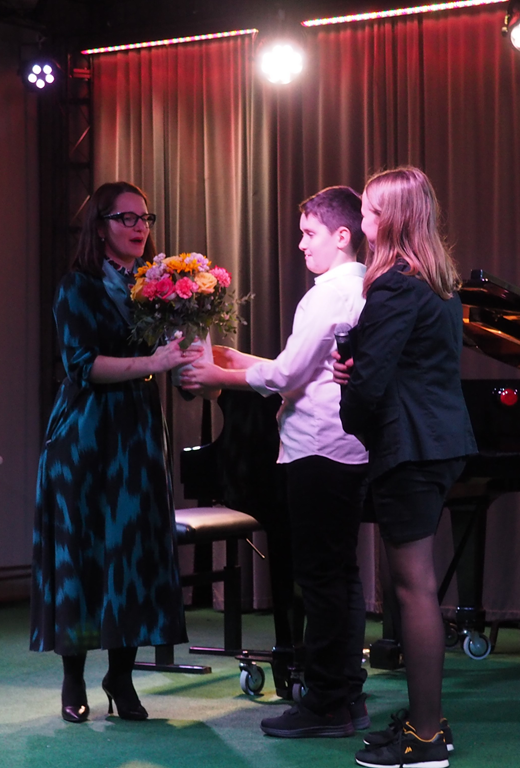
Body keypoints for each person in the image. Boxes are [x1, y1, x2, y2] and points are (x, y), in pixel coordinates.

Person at [181, 186, 370, 738]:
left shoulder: (327, 294)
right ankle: (346, 696)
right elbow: (305, 366)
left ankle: (326, 703)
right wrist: (245, 359)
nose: (301, 244)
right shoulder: (361, 287)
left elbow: (288, 377)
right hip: (345, 448)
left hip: (317, 448)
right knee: (341, 577)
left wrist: (220, 374)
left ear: (342, 235)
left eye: (310, 234)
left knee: (322, 581)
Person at [30, 181, 200, 724]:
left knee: (133, 555)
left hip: (137, 435)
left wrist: (194, 364)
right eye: (126, 218)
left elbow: (178, 359)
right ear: (100, 227)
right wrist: (155, 363)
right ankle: (74, 679)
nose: (139, 227)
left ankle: (120, 678)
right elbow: (82, 365)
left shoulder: (160, 287)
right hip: (84, 437)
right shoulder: (76, 287)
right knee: (81, 558)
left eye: (144, 218)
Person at [333, 167, 477, 768]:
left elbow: (371, 385)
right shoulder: (438, 285)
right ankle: (426, 722)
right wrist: (359, 367)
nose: (362, 220)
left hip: (411, 446)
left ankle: (425, 737)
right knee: (415, 587)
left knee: (413, 588)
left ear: (390, 219)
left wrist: (349, 381)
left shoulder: (394, 284)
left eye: (369, 211)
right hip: (439, 442)